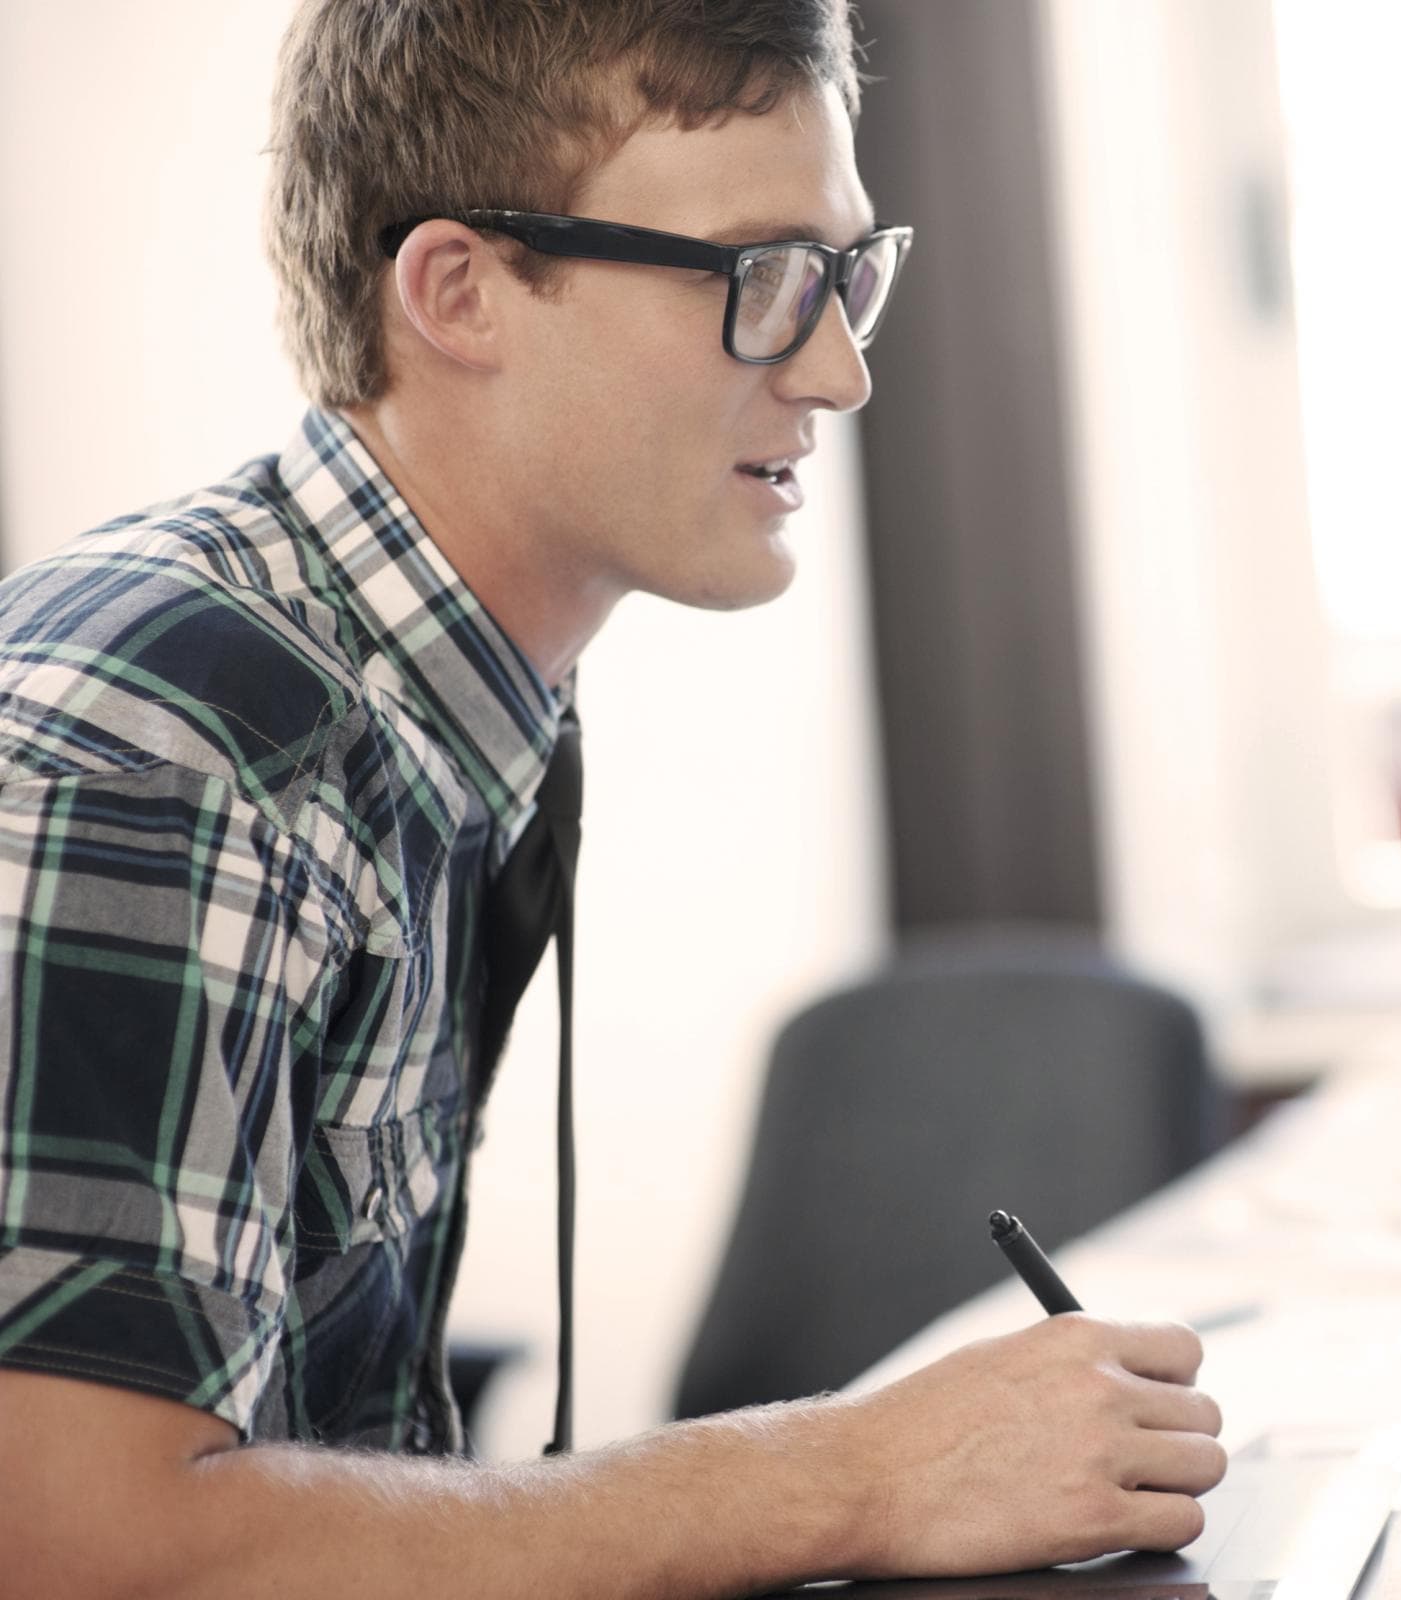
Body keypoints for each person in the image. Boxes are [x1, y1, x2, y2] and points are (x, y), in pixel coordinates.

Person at [0, 2, 1226, 1595]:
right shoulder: (168, 743)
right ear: (461, 290)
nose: (845, 371)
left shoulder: (422, 698)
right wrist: (849, 1475)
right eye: (764, 279)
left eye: (852, 273)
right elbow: (88, 1552)